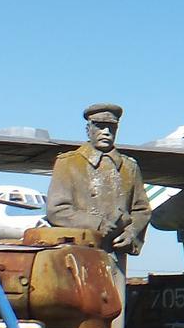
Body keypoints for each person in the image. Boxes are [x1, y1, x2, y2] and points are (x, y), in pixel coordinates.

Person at [46, 103, 151, 261]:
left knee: (114, 287)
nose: (106, 132)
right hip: (78, 254)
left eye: (111, 128)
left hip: (116, 254)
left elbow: (142, 210)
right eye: (100, 126)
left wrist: (131, 233)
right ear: (88, 130)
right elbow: (56, 210)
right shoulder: (68, 163)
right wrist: (96, 224)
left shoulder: (130, 167)